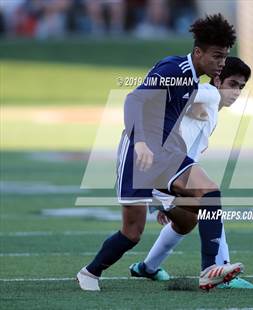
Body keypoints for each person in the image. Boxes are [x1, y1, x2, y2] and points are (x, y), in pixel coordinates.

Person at [77, 13, 242, 292]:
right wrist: (141, 142)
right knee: (132, 233)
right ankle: (90, 273)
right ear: (198, 52)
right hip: (138, 154)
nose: (221, 63)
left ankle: (208, 271)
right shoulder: (174, 70)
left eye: (225, 57)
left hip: (167, 155)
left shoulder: (192, 78)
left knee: (204, 202)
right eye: (216, 56)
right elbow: (133, 101)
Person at [129, 56, 253, 289]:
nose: (237, 91)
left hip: (172, 171)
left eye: (241, 87)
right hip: (165, 167)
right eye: (232, 84)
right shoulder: (208, 93)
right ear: (217, 80)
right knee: (211, 205)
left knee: (187, 222)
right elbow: (186, 91)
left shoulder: (213, 106)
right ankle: (222, 272)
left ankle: (146, 268)